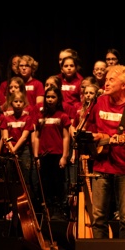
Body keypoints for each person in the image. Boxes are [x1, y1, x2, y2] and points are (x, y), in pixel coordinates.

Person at [87, 65, 125, 238]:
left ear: (123, 85)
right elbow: (86, 129)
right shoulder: (99, 102)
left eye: (111, 80)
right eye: (105, 79)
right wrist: (96, 138)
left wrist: (124, 142)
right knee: (98, 218)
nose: (106, 83)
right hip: (101, 166)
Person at [33, 85, 71, 220]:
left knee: (58, 183)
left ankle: (59, 209)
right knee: (45, 183)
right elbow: (36, 137)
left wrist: (65, 156)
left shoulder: (63, 116)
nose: (50, 99)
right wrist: (36, 156)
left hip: (57, 155)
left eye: (53, 97)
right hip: (43, 155)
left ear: (58, 99)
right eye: (48, 97)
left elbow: (66, 137)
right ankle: (47, 209)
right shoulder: (40, 116)